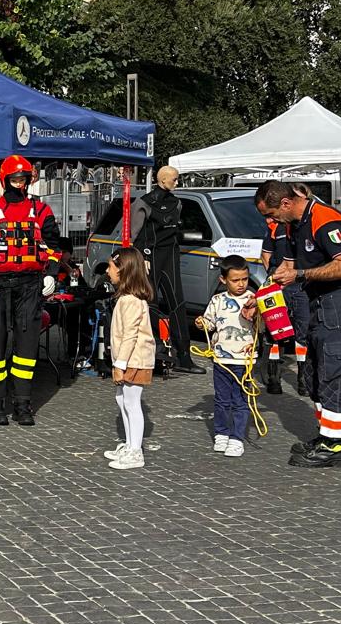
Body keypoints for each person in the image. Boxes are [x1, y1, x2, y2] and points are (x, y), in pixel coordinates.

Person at [255, 180, 341, 468]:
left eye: (273, 214)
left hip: (339, 302)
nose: (270, 221)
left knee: (335, 372)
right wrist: (262, 296)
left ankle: (335, 446)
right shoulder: (292, 225)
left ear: (287, 204)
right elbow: (285, 269)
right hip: (318, 301)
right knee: (315, 373)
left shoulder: (324, 219)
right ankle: (327, 436)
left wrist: (301, 273)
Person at [0, 155, 62, 426]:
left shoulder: (41, 211)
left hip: (30, 285)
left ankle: (22, 404)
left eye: (24, 178)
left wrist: (51, 274)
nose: (20, 183)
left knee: (26, 348)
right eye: (15, 178)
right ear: (5, 180)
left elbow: (54, 247)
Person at [130, 165, 204, 374]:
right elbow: (134, 234)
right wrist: (140, 257)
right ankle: (154, 352)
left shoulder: (177, 203)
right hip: (150, 256)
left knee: (178, 303)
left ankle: (184, 357)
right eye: (174, 180)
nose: (177, 183)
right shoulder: (144, 202)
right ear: (162, 180)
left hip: (170, 255)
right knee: (150, 304)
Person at [195, 255, 259, 458]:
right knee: (222, 399)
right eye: (235, 280)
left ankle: (237, 437)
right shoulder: (217, 300)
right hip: (221, 359)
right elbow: (210, 323)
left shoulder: (253, 299)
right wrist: (202, 324)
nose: (241, 284)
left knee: (240, 400)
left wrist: (259, 314)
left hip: (244, 360)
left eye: (244, 279)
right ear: (223, 280)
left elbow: (263, 328)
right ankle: (222, 432)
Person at [104, 247, 156, 469]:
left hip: (135, 360)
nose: (107, 271)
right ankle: (129, 444)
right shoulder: (126, 298)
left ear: (123, 270)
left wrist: (120, 364)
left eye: (111, 267)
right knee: (122, 400)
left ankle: (136, 451)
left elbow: (130, 334)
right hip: (128, 359)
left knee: (132, 403)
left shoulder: (132, 301)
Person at [260, 185, 310, 396]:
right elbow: (265, 255)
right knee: (275, 332)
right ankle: (274, 379)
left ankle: (303, 380)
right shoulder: (276, 227)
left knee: (302, 334)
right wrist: (274, 277)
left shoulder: (303, 227)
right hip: (280, 285)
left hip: (299, 285)